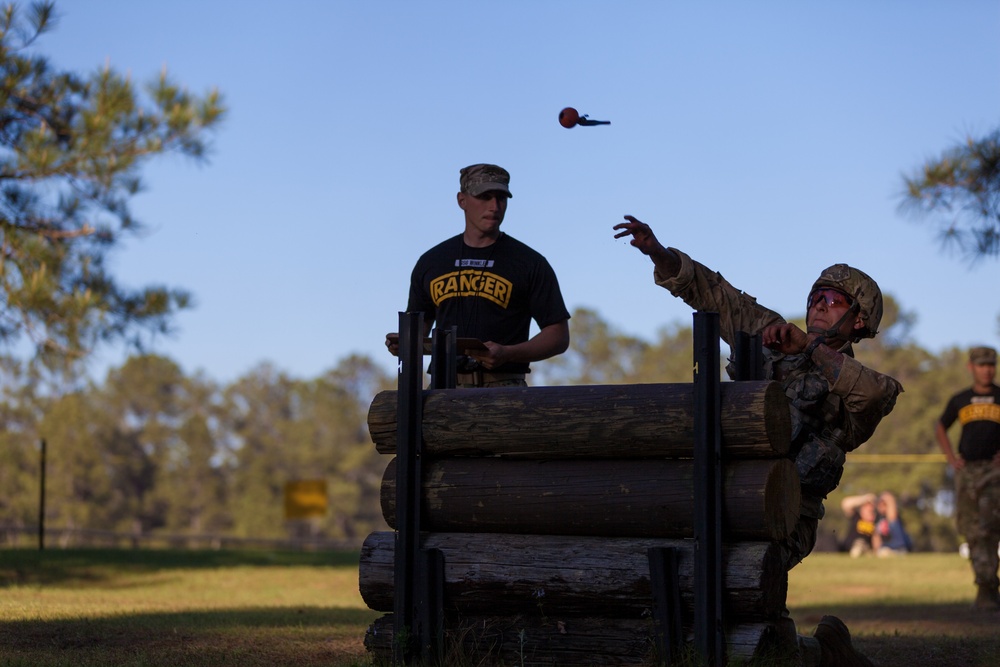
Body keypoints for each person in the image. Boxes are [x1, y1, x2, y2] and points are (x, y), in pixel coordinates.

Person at [613, 215, 903, 667]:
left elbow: (877, 393)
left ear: (859, 320)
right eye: (815, 297)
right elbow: (711, 292)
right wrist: (658, 251)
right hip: (724, 497)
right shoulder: (769, 331)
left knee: (747, 613)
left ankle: (826, 654)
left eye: (833, 300)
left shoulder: (860, 386)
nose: (819, 305)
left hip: (786, 516)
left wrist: (805, 346)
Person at [386, 164, 570, 387]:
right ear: (461, 200)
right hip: (443, 389)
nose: (494, 206)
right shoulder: (432, 261)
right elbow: (419, 327)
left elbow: (558, 335)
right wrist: (404, 343)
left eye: (501, 198)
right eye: (484, 197)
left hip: (503, 389)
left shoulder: (529, 262)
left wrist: (508, 353)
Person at [935, 345, 1000, 610]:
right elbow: (941, 426)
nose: (987, 370)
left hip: (994, 473)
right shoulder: (960, 399)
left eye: (991, 365)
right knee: (972, 530)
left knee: (991, 528)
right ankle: (984, 587)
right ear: (971, 367)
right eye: (982, 365)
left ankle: (989, 587)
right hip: (968, 472)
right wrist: (952, 458)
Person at [873, 491, 913, 556]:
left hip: (898, 547)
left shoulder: (893, 516)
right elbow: (876, 537)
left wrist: (884, 497)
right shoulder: (878, 519)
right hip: (885, 547)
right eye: (880, 504)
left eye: (884, 504)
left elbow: (890, 501)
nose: (881, 506)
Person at [841, 493, 880, 557]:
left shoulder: (875, 523)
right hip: (851, 547)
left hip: (867, 549)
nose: (871, 511)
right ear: (862, 510)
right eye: (869, 510)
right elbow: (846, 503)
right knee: (858, 545)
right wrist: (865, 498)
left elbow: (876, 542)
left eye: (873, 511)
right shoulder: (856, 517)